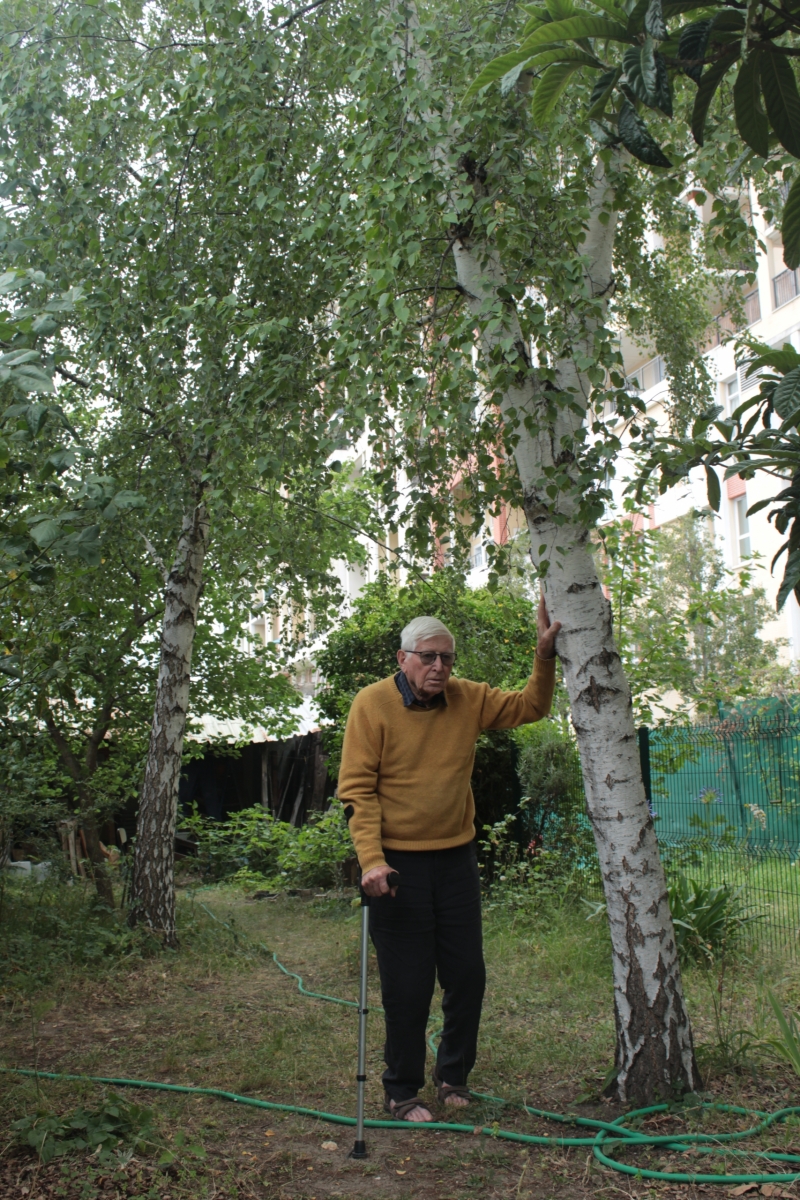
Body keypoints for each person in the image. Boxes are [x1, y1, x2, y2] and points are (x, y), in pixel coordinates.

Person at [338, 596, 561, 1122]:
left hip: (456, 859)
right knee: (408, 985)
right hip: (397, 866)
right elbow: (356, 791)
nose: (439, 667)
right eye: (428, 657)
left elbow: (532, 706)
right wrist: (371, 860)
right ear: (403, 659)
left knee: (467, 975)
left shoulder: (468, 698)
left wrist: (544, 654)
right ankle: (401, 1090)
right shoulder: (371, 705)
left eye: (447, 658)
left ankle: (453, 1075)